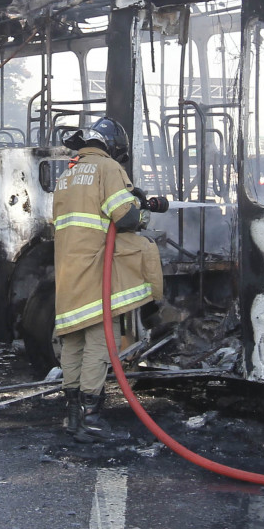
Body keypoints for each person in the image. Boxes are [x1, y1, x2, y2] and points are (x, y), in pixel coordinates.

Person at [50, 117, 183, 443]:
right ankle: (91, 418)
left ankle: (72, 418)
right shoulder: (108, 169)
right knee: (98, 339)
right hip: (97, 267)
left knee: (72, 339)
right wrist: (144, 207)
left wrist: (134, 198)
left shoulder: (67, 174)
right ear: (113, 146)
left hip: (69, 269)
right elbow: (125, 217)